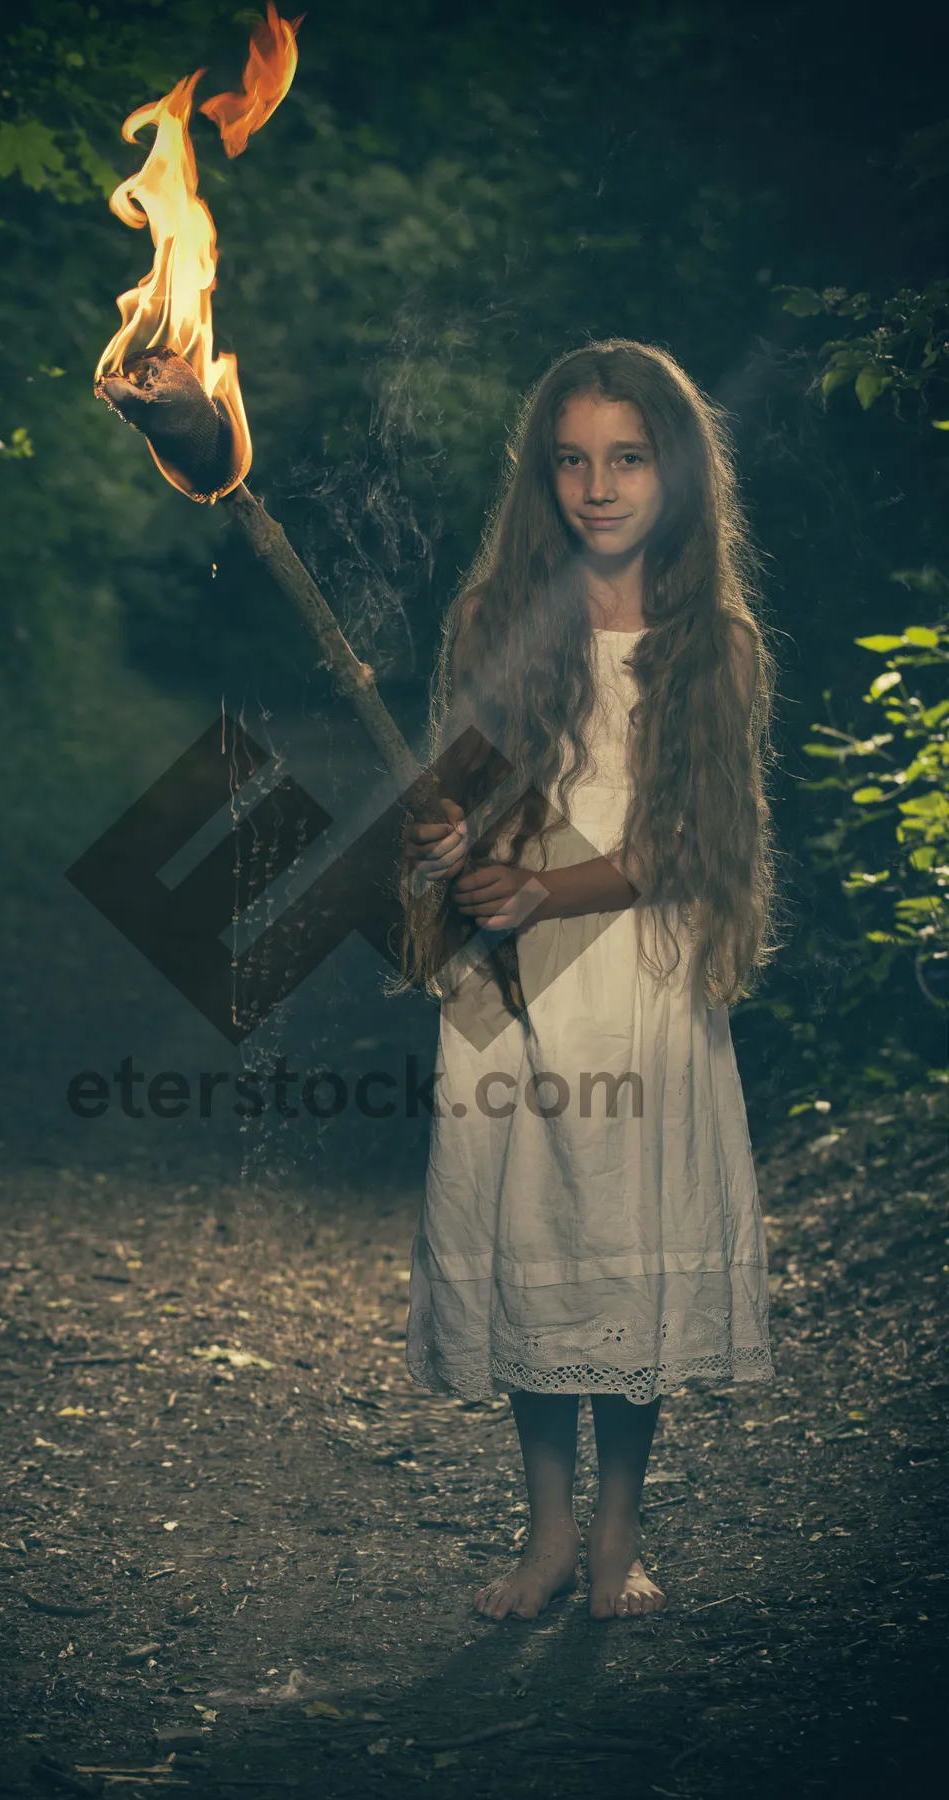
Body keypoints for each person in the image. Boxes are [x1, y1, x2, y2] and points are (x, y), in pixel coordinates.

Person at [398, 338, 782, 1622]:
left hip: (641, 977)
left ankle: (619, 1533)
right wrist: (455, 844)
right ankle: (549, 1531)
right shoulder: (493, 624)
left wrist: (552, 888)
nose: (598, 487)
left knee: (621, 1245)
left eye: (626, 459)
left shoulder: (711, 646)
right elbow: (468, 798)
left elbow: (696, 838)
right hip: (519, 990)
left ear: (674, 473)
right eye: (571, 461)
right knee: (536, 1240)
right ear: (541, 477)